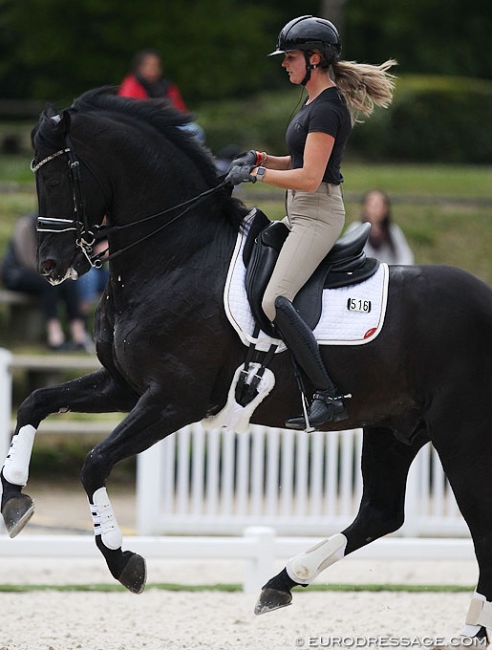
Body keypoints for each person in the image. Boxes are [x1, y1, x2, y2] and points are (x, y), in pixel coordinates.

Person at [226, 15, 396, 430]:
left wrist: (256, 176)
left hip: (316, 216)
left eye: (290, 57)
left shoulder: (327, 108)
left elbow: (309, 178)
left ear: (314, 58)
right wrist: (262, 159)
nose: (284, 64)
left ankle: (327, 394)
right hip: (300, 211)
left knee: (274, 300)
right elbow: (299, 161)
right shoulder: (312, 102)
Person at [0, 213, 89, 351]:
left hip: (41, 272)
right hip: (17, 274)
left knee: (69, 282)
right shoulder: (26, 226)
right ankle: (55, 335)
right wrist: (52, 270)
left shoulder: (55, 230)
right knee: (50, 283)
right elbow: (27, 261)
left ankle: (78, 334)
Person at [118, 49, 204, 142]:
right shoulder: (131, 85)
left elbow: (181, 111)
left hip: (169, 123)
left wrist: (172, 111)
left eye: (156, 65)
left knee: (196, 131)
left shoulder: (166, 86)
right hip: (145, 126)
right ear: (139, 67)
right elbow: (128, 113)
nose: (154, 69)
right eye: (149, 65)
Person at [349, 190, 414, 265]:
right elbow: (345, 257)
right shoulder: (356, 229)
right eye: (372, 205)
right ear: (365, 207)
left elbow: (406, 257)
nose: (375, 209)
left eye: (379, 205)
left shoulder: (393, 231)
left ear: (385, 209)